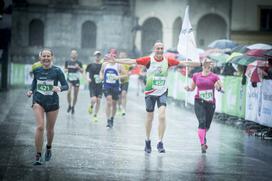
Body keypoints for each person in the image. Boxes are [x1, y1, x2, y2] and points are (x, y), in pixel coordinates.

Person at [114, 41, 200, 153]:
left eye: (161, 48)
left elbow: (184, 63)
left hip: (162, 92)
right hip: (150, 93)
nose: (160, 50)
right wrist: (116, 60)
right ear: (154, 49)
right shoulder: (148, 60)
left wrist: (201, 64)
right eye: (158, 48)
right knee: (150, 117)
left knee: (162, 116)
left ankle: (160, 142)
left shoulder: (167, 61)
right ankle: (147, 140)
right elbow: (131, 61)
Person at [26, 48, 69, 165]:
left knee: (49, 130)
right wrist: (30, 90)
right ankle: (38, 155)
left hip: (52, 103)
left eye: (48, 56)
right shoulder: (37, 70)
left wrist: (59, 88)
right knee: (40, 127)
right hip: (38, 101)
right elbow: (35, 82)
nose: (46, 58)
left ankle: (49, 147)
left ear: (52, 57)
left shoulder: (57, 71)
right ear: (40, 58)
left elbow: (66, 85)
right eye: (44, 56)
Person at [185, 58, 223, 153]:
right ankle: (202, 144)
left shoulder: (214, 77)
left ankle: (203, 137)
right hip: (199, 101)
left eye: (209, 66)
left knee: (207, 125)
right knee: (202, 122)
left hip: (210, 103)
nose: (207, 68)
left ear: (211, 67)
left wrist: (219, 88)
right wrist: (188, 88)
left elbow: (221, 87)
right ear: (202, 66)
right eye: (205, 66)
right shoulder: (196, 76)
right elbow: (192, 88)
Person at [99, 49, 127, 128]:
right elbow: (101, 71)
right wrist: (101, 76)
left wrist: (118, 77)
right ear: (109, 56)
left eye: (114, 56)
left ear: (116, 56)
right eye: (111, 56)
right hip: (107, 85)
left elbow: (126, 75)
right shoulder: (105, 64)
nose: (113, 57)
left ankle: (112, 118)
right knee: (109, 102)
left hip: (116, 86)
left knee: (114, 104)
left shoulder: (119, 65)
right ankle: (108, 120)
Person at [85, 50, 103, 122]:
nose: (98, 56)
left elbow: (104, 73)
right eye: (96, 55)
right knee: (94, 100)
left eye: (99, 55)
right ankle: (91, 106)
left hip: (100, 86)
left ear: (100, 56)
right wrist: (87, 78)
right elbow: (87, 73)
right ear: (94, 56)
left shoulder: (102, 65)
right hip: (92, 85)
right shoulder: (90, 65)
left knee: (98, 101)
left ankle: (95, 115)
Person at [64, 49, 83, 115]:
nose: (74, 54)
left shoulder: (79, 62)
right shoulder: (67, 61)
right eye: (72, 53)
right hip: (69, 79)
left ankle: (73, 107)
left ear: (76, 55)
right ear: (71, 54)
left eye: (75, 53)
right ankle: (69, 105)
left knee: (75, 95)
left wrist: (78, 68)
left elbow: (82, 71)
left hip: (76, 80)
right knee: (68, 92)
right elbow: (65, 69)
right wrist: (66, 70)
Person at [117, 51, 132, 116]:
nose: (122, 56)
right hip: (118, 81)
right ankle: (118, 107)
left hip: (125, 81)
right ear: (119, 56)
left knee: (124, 94)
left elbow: (131, 70)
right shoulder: (117, 63)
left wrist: (129, 72)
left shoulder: (128, 63)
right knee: (119, 96)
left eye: (124, 55)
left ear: (126, 56)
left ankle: (123, 109)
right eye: (121, 55)